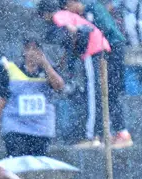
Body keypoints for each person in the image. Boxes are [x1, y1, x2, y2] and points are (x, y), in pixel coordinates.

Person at [37, 0, 112, 148]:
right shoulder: (65, 15)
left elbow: (73, 30)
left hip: (92, 49)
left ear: (45, 14)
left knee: (92, 94)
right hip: (93, 48)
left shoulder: (58, 16)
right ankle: (96, 134)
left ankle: (90, 136)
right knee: (92, 93)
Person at [63, 0, 134, 148]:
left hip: (112, 49)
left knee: (107, 93)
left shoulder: (91, 9)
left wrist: (80, 30)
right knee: (107, 94)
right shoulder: (90, 10)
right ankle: (111, 134)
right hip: (109, 50)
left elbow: (102, 30)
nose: (70, 10)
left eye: (69, 6)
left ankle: (112, 134)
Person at [0, 37, 64, 157]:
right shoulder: (12, 69)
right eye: (29, 48)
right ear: (24, 51)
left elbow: (59, 87)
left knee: (37, 167)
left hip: (41, 128)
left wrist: (45, 64)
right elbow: (2, 98)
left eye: (36, 49)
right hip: (15, 126)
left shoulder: (49, 70)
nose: (32, 52)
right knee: (16, 161)